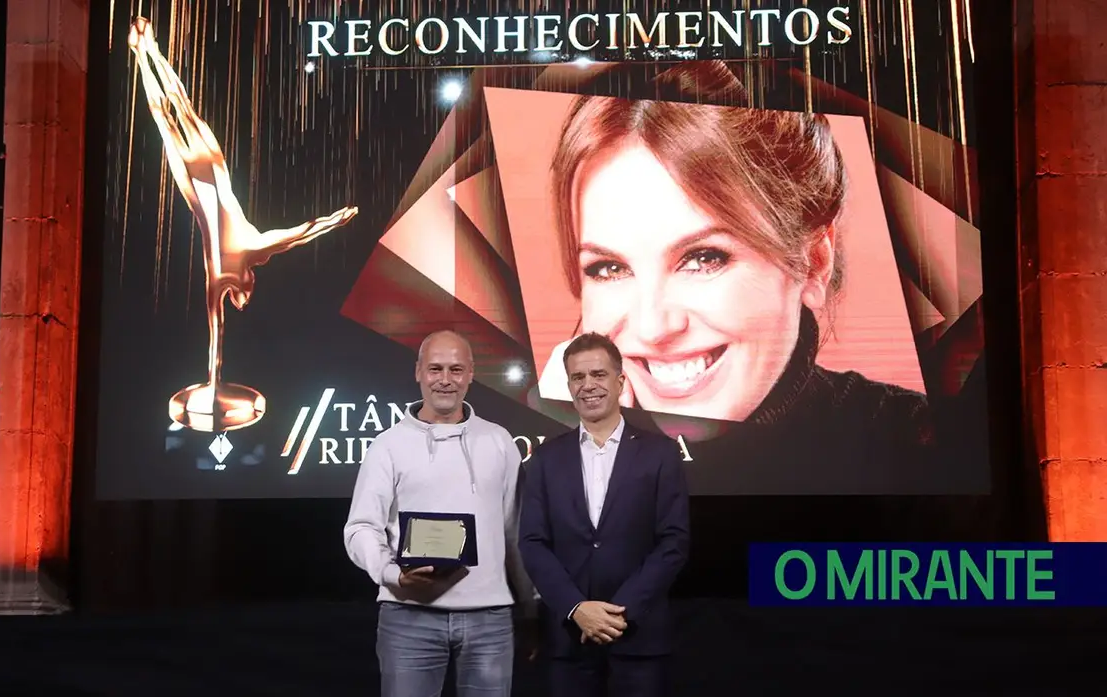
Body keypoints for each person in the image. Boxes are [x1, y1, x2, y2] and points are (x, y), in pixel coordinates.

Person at [534, 62, 934, 491]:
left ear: (814, 261)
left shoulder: (918, 450)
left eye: (704, 258)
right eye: (609, 268)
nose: (652, 328)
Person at [344, 330, 535, 697]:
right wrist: (391, 574)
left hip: (490, 619)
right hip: (408, 617)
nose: (445, 380)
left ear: (471, 374)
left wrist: (531, 608)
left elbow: (516, 535)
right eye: (435, 368)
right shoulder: (387, 446)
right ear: (418, 372)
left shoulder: (499, 441)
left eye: (456, 369)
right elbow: (361, 528)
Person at [520, 332, 690, 697]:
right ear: (568, 385)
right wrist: (576, 608)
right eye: (578, 378)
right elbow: (533, 543)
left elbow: (673, 542)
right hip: (569, 640)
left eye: (598, 374)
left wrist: (618, 614)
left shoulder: (660, 453)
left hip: (639, 640)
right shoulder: (546, 459)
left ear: (620, 381)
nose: (588, 386)